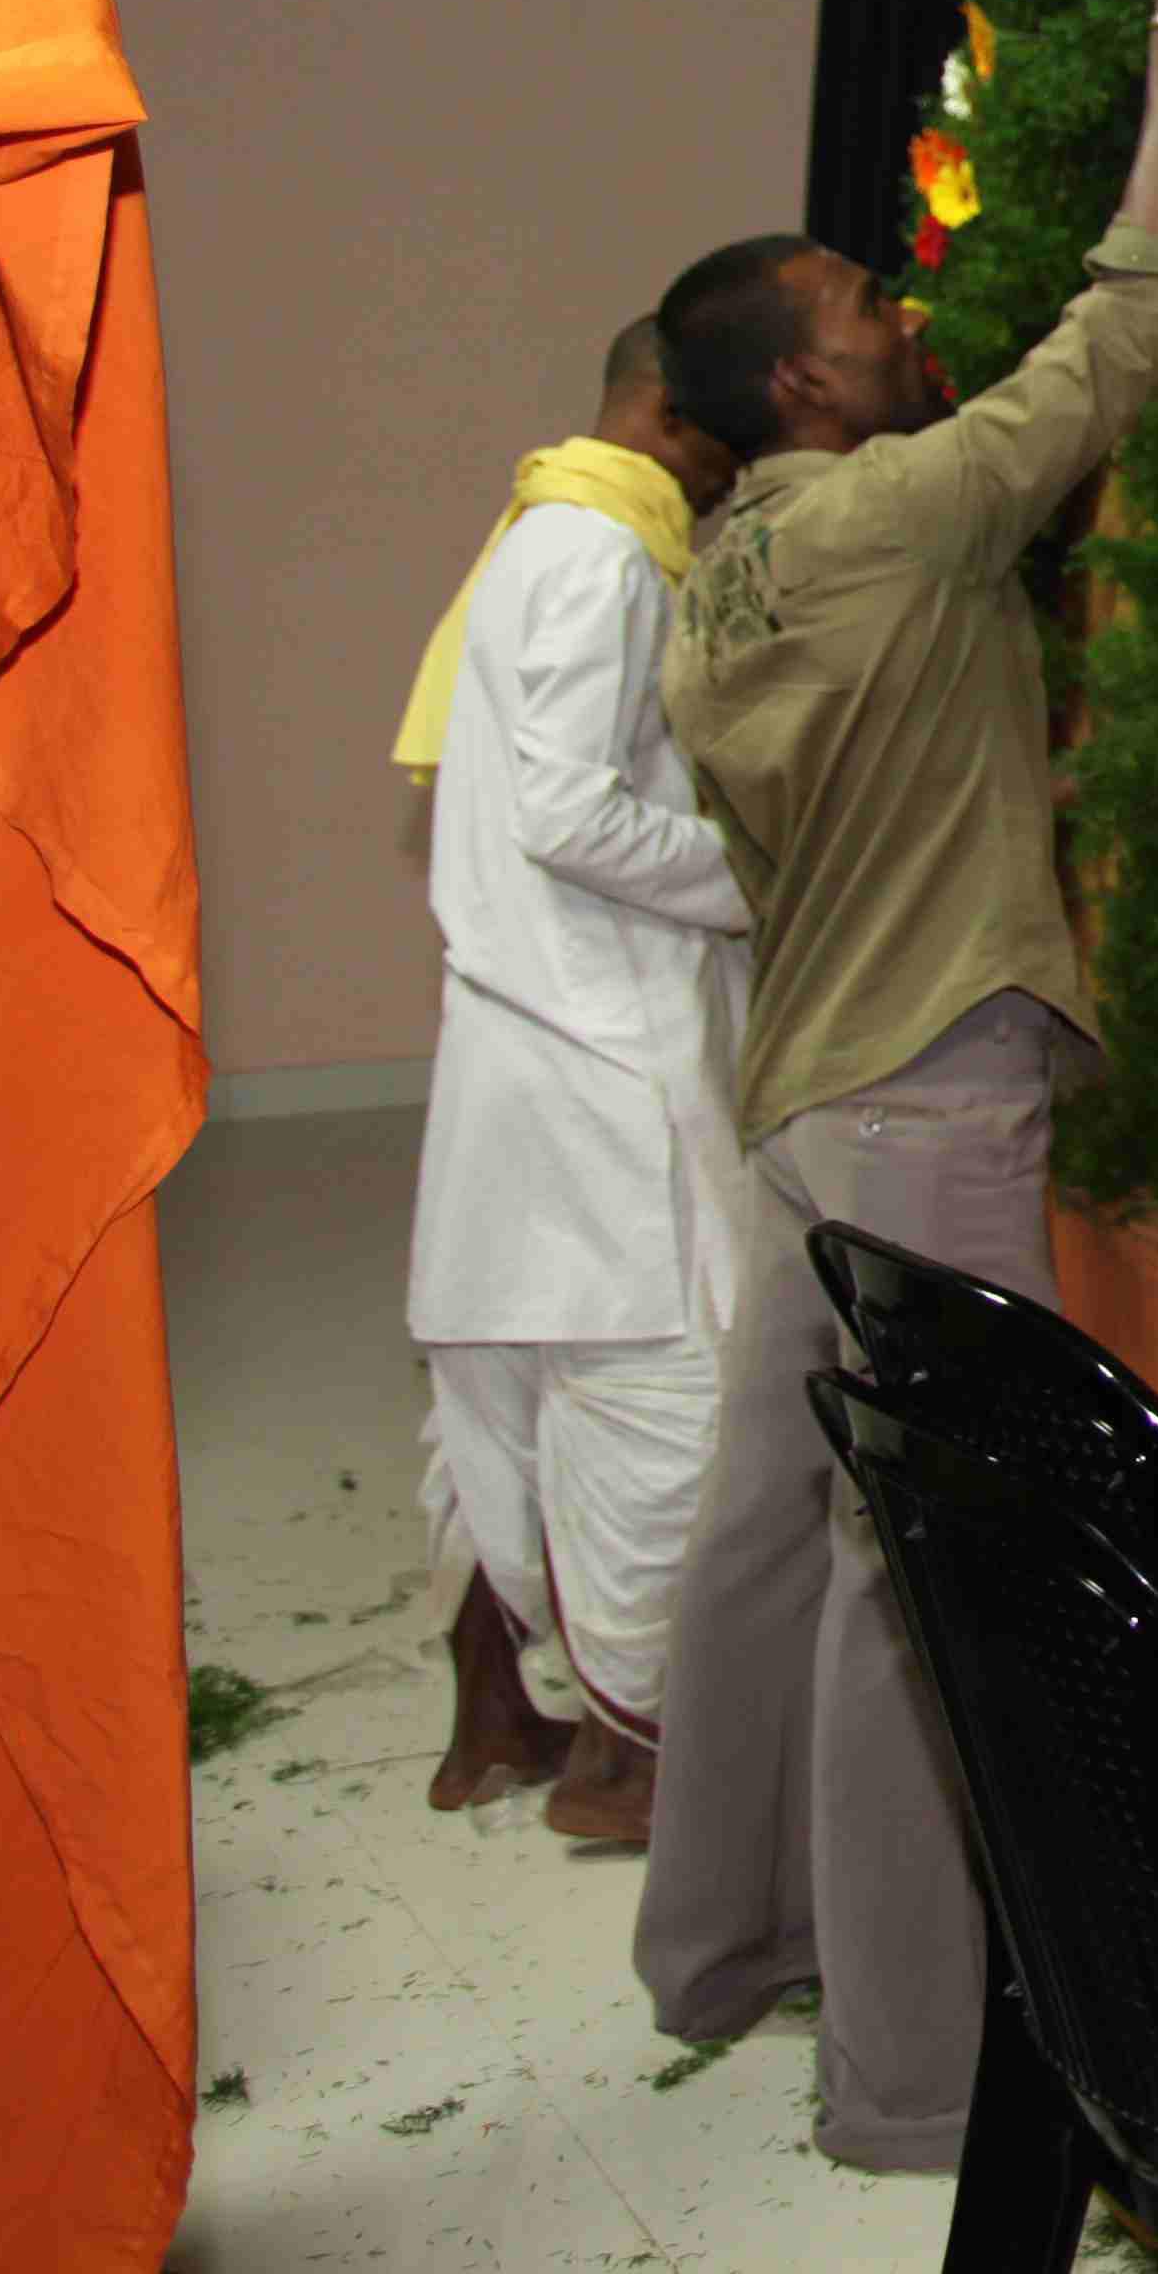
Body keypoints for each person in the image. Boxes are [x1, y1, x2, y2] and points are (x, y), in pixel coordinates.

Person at [629, 0, 1158, 2171]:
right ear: (800, 392)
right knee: (932, 1573)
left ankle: (720, 1947)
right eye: (865, 309)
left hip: (803, 1097)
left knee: (767, 1530)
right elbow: (1143, 305)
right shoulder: (897, 519)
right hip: (918, 1100)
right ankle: (909, 2082)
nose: (905, 315)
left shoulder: (713, 587)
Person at [394, 316, 752, 1846]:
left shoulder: (548, 528)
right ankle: (631, 1763)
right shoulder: (603, 554)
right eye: (728, 425)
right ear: (667, 410)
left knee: (510, 1394)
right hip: (602, 1055)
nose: (741, 461)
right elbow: (567, 812)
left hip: (521, 1042)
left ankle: (492, 1719)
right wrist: (764, 871)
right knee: (662, 1401)